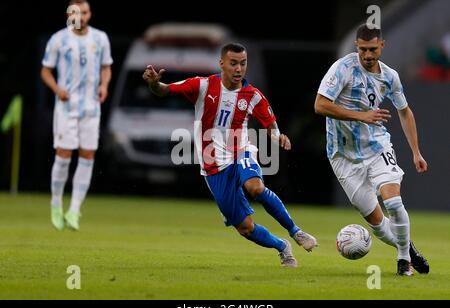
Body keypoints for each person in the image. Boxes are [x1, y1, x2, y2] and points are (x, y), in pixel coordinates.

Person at [143, 43, 317, 267]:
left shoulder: (252, 95)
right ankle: (282, 246)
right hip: (212, 164)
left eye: (243, 64)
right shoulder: (202, 85)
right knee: (245, 228)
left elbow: (270, 124)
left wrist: (278, 137)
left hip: (241, 150)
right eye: (233, 63)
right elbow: (164, 90)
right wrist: (154, 83)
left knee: (255, 187)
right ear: (222, 64)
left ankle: (296, 231)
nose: (238, 69)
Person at [315, 24, 429, 276]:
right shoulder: (342, 68)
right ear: (357, 46)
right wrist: (360, 116)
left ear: (382, 46)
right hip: (342, 156)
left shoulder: (390, 76)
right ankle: (407, 248)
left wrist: (416, 152)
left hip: (376, 147)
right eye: (363, 49)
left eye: (373, 49)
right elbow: (320, 105)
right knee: (377, 223)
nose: (368, 55)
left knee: (394, 202)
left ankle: (402, 261)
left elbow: (405, 111)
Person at [41, 0, 113, 231]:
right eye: (75, 12)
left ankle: (74, 209)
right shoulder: (59, 39)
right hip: (66, 107)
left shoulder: (100, 39)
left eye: (84, 12)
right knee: (63, 154)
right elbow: (46, 71)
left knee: (88, 156)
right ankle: (55, 204)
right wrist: (56, 89)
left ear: (90, 14)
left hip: (91, 107)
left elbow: (106, 67)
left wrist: (104, 85)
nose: (80, 16)